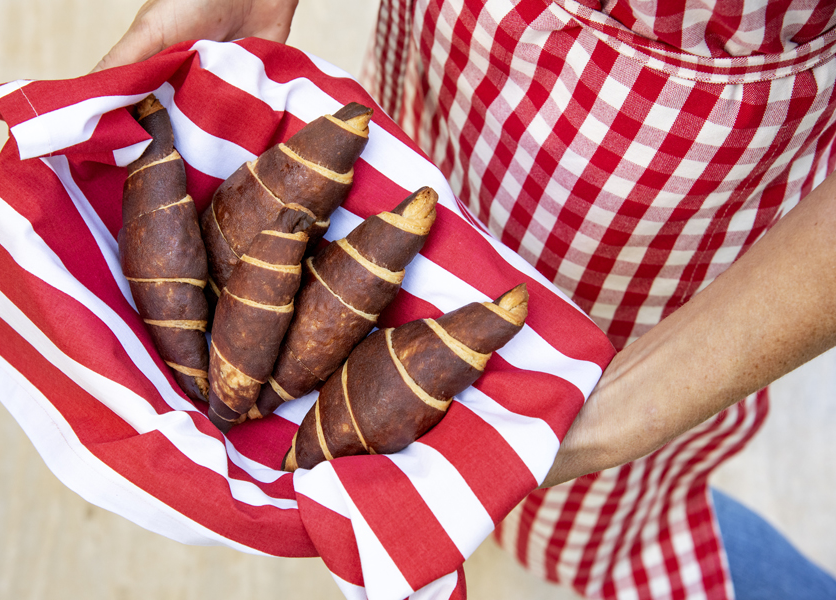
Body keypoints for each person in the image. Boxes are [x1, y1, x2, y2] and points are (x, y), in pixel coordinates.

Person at [95, 1, 836, 597]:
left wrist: (616, 413)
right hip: (449, 35)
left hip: (668, 156)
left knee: (571, 482)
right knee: (398, 244)